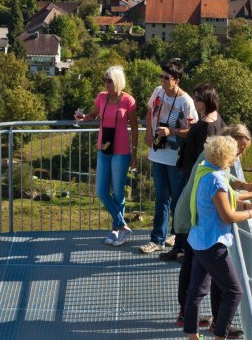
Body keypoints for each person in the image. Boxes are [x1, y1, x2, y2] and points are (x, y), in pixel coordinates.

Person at [168, 124, 252, 336]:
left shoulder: (209, 162)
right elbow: (224, 200)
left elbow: (226, 185)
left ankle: (192, 331)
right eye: (239, 148)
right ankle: (216, 331)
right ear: (227, 147)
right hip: (200, 227)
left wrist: (245, 189)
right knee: (222, 284)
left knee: (198, 281)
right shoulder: (213, 173)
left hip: (197, 226)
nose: (240, 154)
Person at [182, 135, 252, 340]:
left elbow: (226, 201)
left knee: (196, 292)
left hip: (198, 240)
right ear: (225, 157)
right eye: (234, 155)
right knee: (234, 291)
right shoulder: (216, 180)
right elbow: (228, 215)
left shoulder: (205, 170)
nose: (236, 159)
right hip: (213, 243)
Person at [75, 65, 139, 246]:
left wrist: (134, 152)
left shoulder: (129, 101)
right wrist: (83, 117)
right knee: (101, 191)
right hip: (103, 148)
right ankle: (123, 226)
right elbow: (93, 115)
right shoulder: (102, 97)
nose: (106, 83)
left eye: (109, 80)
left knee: (118, 192)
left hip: (121, 151)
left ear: (118, 81)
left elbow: (134, 127)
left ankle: (116, 229)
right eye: (105, 80)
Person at [161, 84, 224, 263]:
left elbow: (203, 156)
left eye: (197, 99)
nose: (194, 101)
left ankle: (184, 250)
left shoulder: (207, 126)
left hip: (194, 176)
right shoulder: (215, 119)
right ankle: (180, 248)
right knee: (183, 209)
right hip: (194, 174)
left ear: (206, 101)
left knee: (182, 210)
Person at [140, 59, 197, 254]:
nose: (162, 80)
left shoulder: (186, 102)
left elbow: (191, 130)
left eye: (167, 78)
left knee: (177, 200)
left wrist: (171, 132)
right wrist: (149, 132)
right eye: (161, 76)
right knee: (161, 198)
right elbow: (149, 112)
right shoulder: (158, 91)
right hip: (157, 153)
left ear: (177, 80)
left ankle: (177, 235)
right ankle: (157, 240)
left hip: (175, 157)